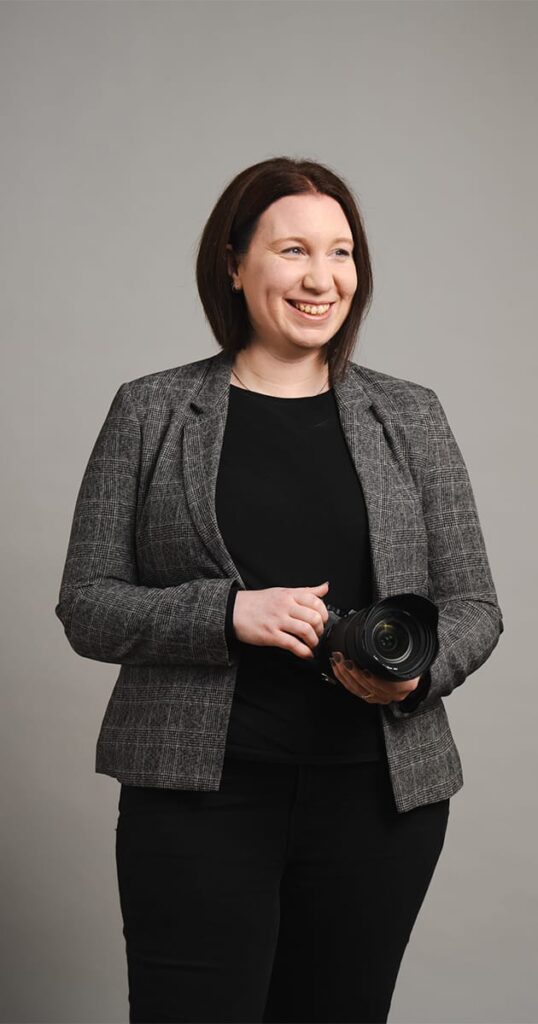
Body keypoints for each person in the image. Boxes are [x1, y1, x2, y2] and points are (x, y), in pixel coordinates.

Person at [54, 156, 504, 1024]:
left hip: (378, 802)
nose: (321, 277)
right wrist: (227, 614)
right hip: (197, 802)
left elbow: (475, 606)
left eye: (341, 253)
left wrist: (415, 674)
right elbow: (87, 602)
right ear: (234, 262)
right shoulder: (151, 411)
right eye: (294, 250)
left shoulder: (411, 415)